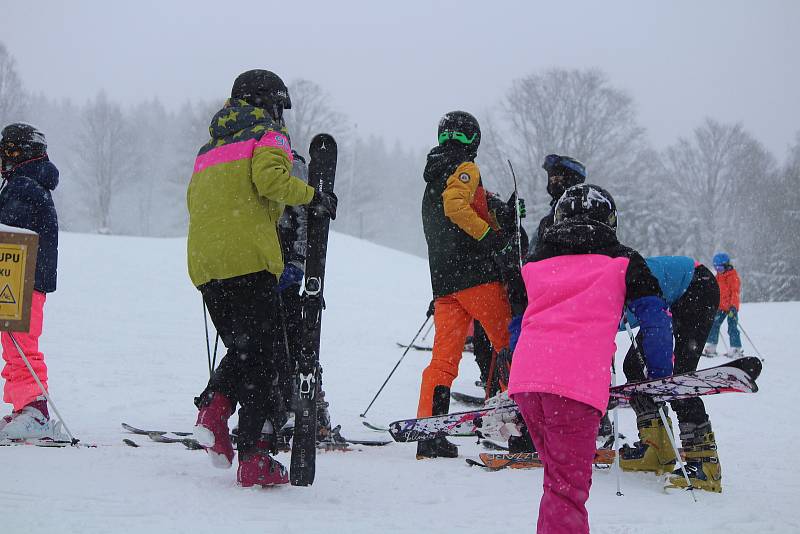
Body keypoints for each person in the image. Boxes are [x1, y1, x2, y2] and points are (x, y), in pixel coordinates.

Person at [187, 69, 337, 487]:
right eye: (278, 106)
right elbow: (272, 181)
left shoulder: (209, 147)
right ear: (268, 103)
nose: (280, 116)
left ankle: (215, 411)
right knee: (266, 358)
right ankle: (253, 456)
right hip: (249, 261)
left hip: (205, 264)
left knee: (245, 349)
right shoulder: (267, 136)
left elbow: (194, 200)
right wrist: (315, 198)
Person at [508, 184, 673, 534]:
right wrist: (660, 376)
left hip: (526, 383)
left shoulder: (535, 262)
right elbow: (655, 318)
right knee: (566, 491)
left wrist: (521, 371)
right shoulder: (624, 260)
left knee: (557, 482)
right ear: (610, 220)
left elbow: (517, 325)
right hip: (574, 387)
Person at [417, 110, 512, 459]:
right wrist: (493, 239)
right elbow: (456, 207)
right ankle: (516, 422)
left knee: (443, 359)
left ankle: (430, 431)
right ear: (474, 140)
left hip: (444, 285)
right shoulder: (466, 169)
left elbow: (448, 215)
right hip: (479, 279)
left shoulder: (431, 177)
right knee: (507, 345)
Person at [619, 256, 723, 492]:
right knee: (634, 368)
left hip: (697, 286)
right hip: (667, 300)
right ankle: (657, 447)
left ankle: (706, 464)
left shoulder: (620, 285)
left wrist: (661, 378)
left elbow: (657, 329)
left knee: (678, 376)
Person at [0, 123, 60, 440]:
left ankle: (36, 410)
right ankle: (25, 407)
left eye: (9, 151)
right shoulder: (24, 185)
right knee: (14, 345)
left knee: (21, 346)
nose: (4, 159)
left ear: (24, 153)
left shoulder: (24, 187)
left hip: (24, 279)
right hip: (23, 279)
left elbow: (10, 233)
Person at [275, 149, 334, 446]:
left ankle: (305, 407)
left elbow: (298, 214)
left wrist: (297, 261)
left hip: (281, 265)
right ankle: (274, 409)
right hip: (257, 265)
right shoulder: (252, 157)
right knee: (271, 340)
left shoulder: (288, 160)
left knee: (293, 337)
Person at [703, 252, 743, 358]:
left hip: (731, 308)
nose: (718, 270)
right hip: (720, 307)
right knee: (714, 325)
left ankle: (735, 348)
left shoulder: (732, 276)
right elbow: (714, 291)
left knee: (732, 327)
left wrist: (733, 307)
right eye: (716, 268)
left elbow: (735, 292)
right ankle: (711, 347)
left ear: (726, 266)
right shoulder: (718, 277)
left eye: (720, 268)